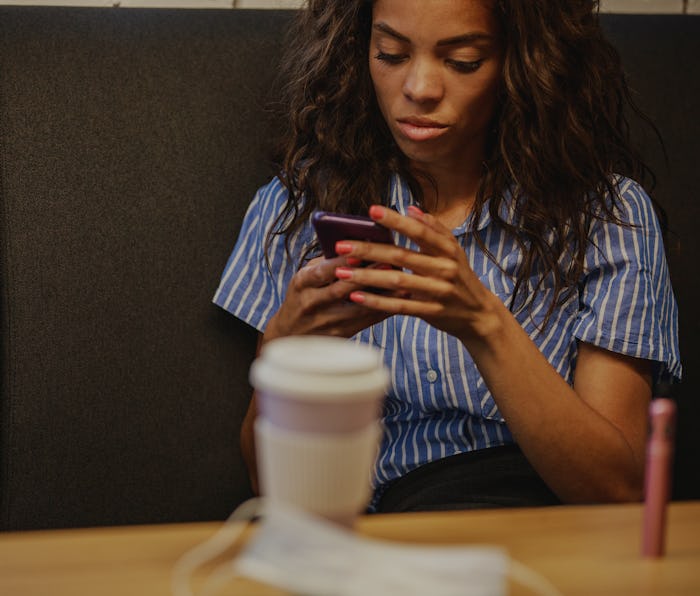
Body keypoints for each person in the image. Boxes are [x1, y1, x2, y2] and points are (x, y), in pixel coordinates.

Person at [213, 0, 681, 512]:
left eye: (462, 62)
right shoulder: (300, 205)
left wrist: (484, 323)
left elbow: (618, 491)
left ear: (521, 65)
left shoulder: (606, 217)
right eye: (391, 54)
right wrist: (282, 347)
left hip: (550, 528)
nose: (419, 89)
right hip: (393, 529)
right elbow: (272, 489)